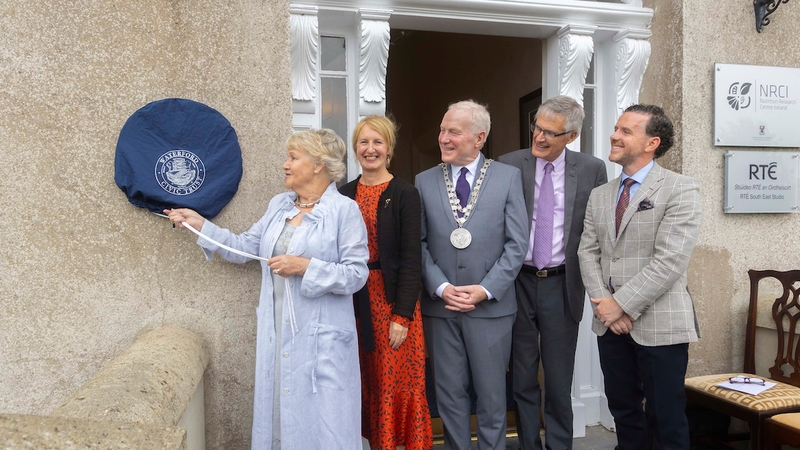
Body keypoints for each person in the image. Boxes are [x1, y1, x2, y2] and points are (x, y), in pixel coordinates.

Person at [165, 129, 369, 450]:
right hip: (278, 337)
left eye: (293, 158)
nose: (285, 165)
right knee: (280, 417)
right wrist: (200, 224)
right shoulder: (279, 205)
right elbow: (245, 246)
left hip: (321, 340)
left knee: (325, 425)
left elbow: (356, 274)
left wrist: (304, 266)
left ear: (317, 165)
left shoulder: (344, 211)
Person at [577, 104, 702, 450]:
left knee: (666, 418)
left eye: (626, 131)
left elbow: (669, 261)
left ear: (652, 143)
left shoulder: (680, 189)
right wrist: (605, 306)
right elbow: (588, 252)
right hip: (610, 324)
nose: (614, 136)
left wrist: (621, 306)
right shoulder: (600, 195)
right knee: (623, 412)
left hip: (661, 323)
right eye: (616, 128)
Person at [415, 100, 528, 450]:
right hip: (441, 308)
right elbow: (417, 244)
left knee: (493, 397)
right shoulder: (423, 180)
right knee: (449, 395)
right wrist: (441, 286)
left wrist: (485, 289)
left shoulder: (508, 177)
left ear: (479, 138)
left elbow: (517, 244)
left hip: (491, 310)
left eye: (453, 132)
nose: (443, 138)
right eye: (442, 130)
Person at [498, 95, 607, 450]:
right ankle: (530, 444)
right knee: (523, 377)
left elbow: (598, 232)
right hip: (518, 283)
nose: (540, 138)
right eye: (537, 128)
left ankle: (559, 445)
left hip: (562, 285)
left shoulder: (591, 169)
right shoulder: (508, 164)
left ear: (571, 137)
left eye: (550, 133)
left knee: (560, 380)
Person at [339, 116, 433, 450]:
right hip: (354, 302)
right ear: (355, 148)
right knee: (368, 383)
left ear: (389, 149)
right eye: (364, 142)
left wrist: (402, 316)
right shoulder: (343, 193)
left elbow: (411, 258)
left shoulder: (405, 193)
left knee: (397, 385)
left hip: (393, 303)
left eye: (378, 142)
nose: (370, 149)